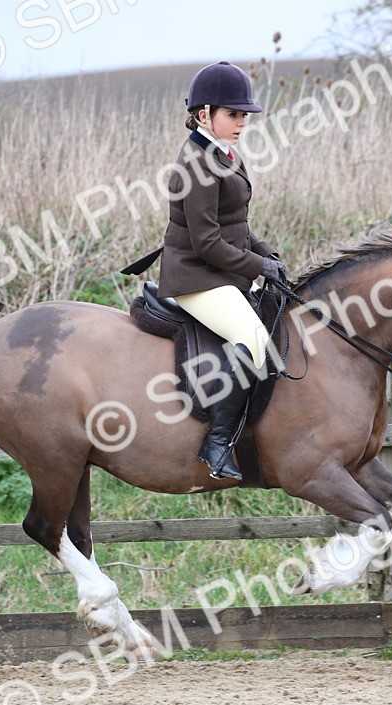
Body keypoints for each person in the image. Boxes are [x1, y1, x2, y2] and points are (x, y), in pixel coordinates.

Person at [158, 61, 283, 481]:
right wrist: (258, 265)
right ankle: (216, 443)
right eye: (233, 114)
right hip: (195, 276)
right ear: (203, 114)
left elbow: (236, 227)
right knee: (252, 340)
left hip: (218, 272)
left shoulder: (224, 152)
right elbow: (206, 242)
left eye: (244, 115)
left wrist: (269, 256)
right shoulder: (195, 162)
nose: (241, 122)